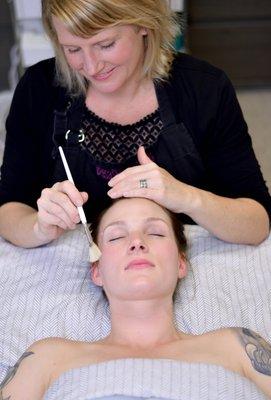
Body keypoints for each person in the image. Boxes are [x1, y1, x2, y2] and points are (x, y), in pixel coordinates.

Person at [0, 0, 270, 248]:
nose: (92, 67)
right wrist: (39, 228)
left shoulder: (205, 89)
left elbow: (257, 222)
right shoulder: (40, 89)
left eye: (105, 44)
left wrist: (187, 197)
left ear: (143, 23)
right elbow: (9, 208)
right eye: (73, 49)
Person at [1, 197, 271, 399]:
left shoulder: (238, 347)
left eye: (155, 232)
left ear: (180, 263)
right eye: (117, 237)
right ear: (97, 271)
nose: (137, 242)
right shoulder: (47, 358)